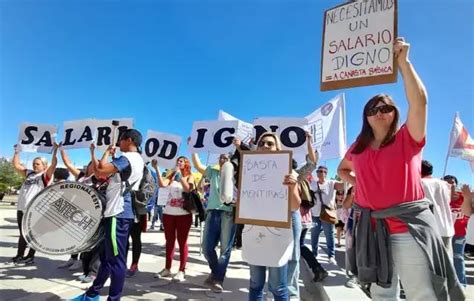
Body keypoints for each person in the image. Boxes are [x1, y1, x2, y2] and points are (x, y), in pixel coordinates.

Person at [337, 38, 463, 300]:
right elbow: (342, 169)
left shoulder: (408, 138)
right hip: (371, 231)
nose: (379, 112)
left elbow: (420, 102)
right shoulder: (357, 147)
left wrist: (404, 64)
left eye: (386, 107)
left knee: (422, 294)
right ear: (366, 116)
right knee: (382, 294)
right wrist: (358, 183)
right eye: (373, 108)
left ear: (395, 113)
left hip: (407, 229)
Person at [70, 129, 144, 301]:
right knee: (106, 258)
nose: (119, 143)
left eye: (121, 140)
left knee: (116, 261)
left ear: (129, 140)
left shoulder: (129, 158)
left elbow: (100, 171)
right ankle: (92, 294)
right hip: (116, 213)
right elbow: (99, 172)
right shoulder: (133, 159)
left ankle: (114, 298)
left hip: (118, 213)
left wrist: (103, 154)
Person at [234, 132, 301, 301]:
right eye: (262, 142)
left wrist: (292, 187)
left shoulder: (289, 171)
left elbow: (294, 206)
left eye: (270, 143)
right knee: (255, 284)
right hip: (254, 232)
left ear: (278, 147)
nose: (265, 145)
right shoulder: (247, 170)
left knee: (278, 287)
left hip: (278, 234)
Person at [60, 144, 109, 283]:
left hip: (96, 215)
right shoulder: (81, 176)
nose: (93, 167)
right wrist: (62, 149)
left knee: (95, 245)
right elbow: (69, 164)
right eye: (91, 165)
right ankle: (85, 269)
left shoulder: (99, 179)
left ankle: (94, 272)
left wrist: (93, 152)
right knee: (85, 244)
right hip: (80, 214)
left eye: (96, 165)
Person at [192, 152, 236, 293]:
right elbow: (198, 166)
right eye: (221, 157)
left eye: (226, 158)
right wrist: (193, 149)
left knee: (225, 249)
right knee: (206, 247)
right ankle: (216, 271)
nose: (222, 160)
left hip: (229, 212)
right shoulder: (213, 171)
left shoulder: (237, 173)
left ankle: (218, 279)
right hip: (212, 211)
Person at [11, 143, 58, 265]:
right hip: (22, 208)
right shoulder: (30, 174)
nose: (34, 165)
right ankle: (19, 255)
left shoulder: (45, 176)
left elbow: (54, 165)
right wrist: (17, 151)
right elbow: (16, 165)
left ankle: (30, 256)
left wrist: (55, 150)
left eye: (37, 164)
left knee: (32, 234)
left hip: (35, 210)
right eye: (33, 163)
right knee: (22, 233)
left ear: (44, 166)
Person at [152, 157, 194, 282]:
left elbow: (188, 189)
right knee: (169, 241)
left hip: (184, 215)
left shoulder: (189, 176)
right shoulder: (171, 176)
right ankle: (167, 268)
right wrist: (157, 169)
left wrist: (180, 176)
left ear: (186, 164)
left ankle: (181, 270)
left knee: (182, 242)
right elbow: (161, 185)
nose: (179, 162)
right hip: (168, 213)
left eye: (182, 161)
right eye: (178, 161)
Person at [310, 165, 343, 264]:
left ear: (327, 173)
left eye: (324, 171)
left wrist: (347, 175)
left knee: (329, 235)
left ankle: (331, 255)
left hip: (328, 214)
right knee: (314, 235)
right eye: (319, 171)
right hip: (315, 214)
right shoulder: (312, 184)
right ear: (317, 173)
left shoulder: (331, 183)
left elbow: (342, 185)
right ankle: (314, 253)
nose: (322, 173)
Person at [420, 160, 454, 254]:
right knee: (445, 265)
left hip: (430, 231)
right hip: (446, 229)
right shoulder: (445, 185)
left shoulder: (420, 183)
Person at [443, 175, 469, 287]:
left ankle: (461, 284)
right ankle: (447, 284)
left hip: (460, 234)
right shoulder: (441, 198)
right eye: (447, 183)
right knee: (444, 259)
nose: (450, 185)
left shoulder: (463, 197)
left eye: (452, 182)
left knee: (458, 257)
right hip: (445, 233)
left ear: (456, 184)